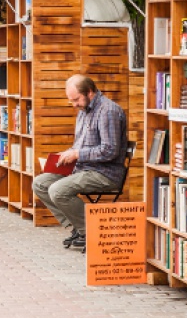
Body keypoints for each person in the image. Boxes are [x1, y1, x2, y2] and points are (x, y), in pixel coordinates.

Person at [32, 75, 127, 249]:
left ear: (90, 92)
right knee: (40, 183)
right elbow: (79, 145)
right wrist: (66, 154)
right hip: (83, 169)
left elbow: (110, 150)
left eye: (76, 99)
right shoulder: (84, 111)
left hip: (105, 173)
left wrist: (77, 154)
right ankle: (77, 227)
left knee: (58, 190)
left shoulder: (108, 111)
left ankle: (91, 231)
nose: (74, 104)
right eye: (71, 101)